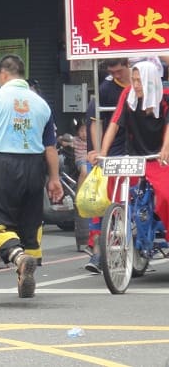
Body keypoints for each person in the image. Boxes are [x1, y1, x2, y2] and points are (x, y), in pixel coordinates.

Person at [0, 54, 62, 299]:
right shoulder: (41, 104)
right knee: (30, 223)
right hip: (34, 167)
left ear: (2, 74)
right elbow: (51, 148)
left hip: (3, 166)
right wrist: (54, 178)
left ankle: (18, 257)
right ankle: (27, 271)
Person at [88, 59, 169, 244]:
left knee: (166, 196)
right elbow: (114, 124)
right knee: (112, 184)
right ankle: (117, 227)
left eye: (140, 81)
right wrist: (103, 152)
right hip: (134, 158)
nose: (136, 85)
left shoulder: (165, 96)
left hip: (159, 158)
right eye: (133, 80)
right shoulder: (128, 94)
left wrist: (165, 149)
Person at [83, 58, 130, 273]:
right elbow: (96, 122)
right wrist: (98, 152)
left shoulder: (145, 86)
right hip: (110, 152)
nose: (117, 75)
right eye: (113, 72)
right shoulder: (105, 90)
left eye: (120, 70)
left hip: (137, 150)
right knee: (101, 201)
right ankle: (98, 253)